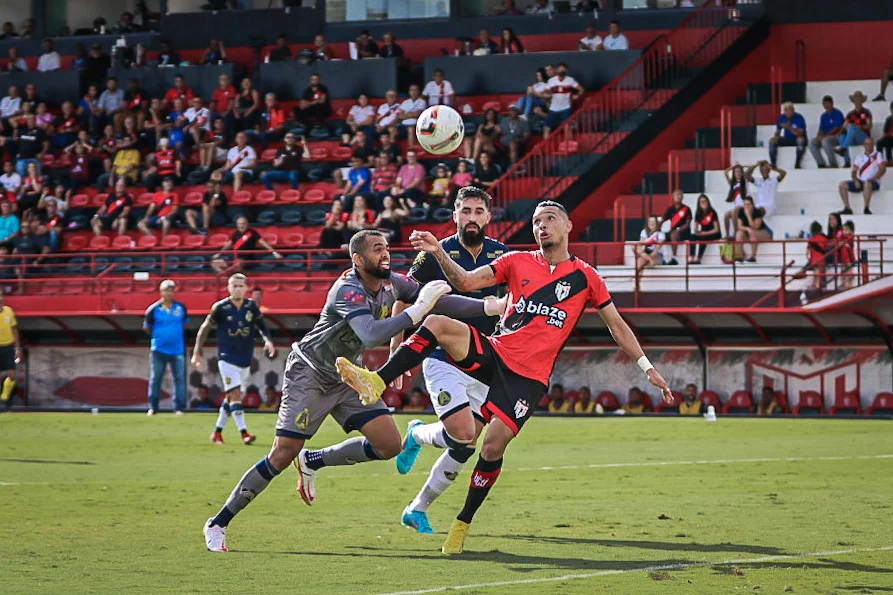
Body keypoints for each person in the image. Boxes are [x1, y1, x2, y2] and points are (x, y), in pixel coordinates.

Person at [336, 199, 672, 554]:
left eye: (550, 219)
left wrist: (647, 368)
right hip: (496, 352)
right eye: (536, 220)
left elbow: (616, 325)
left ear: (569, 226)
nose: (542, 225)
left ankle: (461, 523)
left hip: (527, 378)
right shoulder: (517, 261)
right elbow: (464, 282)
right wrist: (438, 251)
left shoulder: (586, 277)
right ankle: (377, 380)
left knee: (490, 446)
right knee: (435, 323)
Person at [203, 229, 497, 552]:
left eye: (385, 248)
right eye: (376, 249)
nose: (384, 254)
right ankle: (218, 522)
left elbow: (443, 301)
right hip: (309, 374)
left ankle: (313, 460)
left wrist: (490, 307)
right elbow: (370, 335)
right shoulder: (347, 289)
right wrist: (416, 312)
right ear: (357, 259)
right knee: (282, 453)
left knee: (390, 445)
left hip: (347, 375)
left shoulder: (393, 282)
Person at [392, 188, 507, 533]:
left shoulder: (502, 256)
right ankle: (418, 435)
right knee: (462, 432)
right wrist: (398, 350)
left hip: (487, 361)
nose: (472, 217)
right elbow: (404, 300)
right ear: (455, 216)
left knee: (467, 444)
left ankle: (417, 508)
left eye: (478, 211)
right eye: (465, 211)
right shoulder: (434, 254)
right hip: (442, 355)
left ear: (488, 217)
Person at [193, 273, 276, 446]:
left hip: (245, 358)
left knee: (231, 397)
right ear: (228, 288)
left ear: (246, 288)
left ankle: (217, 433)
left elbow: (261, 326)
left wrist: (267, 340)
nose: (238, 289)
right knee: (236, 394)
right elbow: (205, 328)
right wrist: (197, 352)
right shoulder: (221, 307)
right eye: (234, 286)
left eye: (241, 286)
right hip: (226, 358)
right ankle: (244, 433)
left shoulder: (251, 307)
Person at [143, 280, 189, 416]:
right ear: (161, 291)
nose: (169, 292)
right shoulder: (153, 309)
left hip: (178, 349)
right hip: (158, 349)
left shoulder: (181, 307)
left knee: (179, 378)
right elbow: (146, 327)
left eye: (171, 290)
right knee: (156, 378)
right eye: (166, 290)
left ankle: (179, 407)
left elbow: (186, 324)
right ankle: (153, 406)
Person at [213, 215, 282, 272]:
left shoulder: (252, 232)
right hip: (234, 257)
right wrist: (219, 253)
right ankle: (225, 278)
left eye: (243, 224)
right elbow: (229, 244)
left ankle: (239, 280)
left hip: (247, 259)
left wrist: (274, 252)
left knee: (238, 264)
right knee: (215, 263)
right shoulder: (235, 233)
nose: (241, 226)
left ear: (247, 224)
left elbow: (263, 242)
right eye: (239, 224)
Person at [838, 137, 885, 215]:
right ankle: (847, 208)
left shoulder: (878, 155)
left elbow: (883, 169)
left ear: (873, 145)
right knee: (842, 185)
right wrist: (855, 180)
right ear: (864, 145)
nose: (868, 145)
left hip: (873, 182)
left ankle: (866, 208)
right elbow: (854, 172)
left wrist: (873, 178)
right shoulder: (859, 157)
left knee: (867, 184)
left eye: (870, 143)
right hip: (860, 181)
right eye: (866, 143)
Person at [543, 63, 582, 139]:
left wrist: (577, 95)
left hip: (566, 108)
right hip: (553, 108)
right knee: (547, 128)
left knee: (567, 128)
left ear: (566, 71)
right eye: (560, 69)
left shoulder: (570, 80)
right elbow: (546, 93)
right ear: (557, 70)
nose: (562, 71)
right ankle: (546, 148)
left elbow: (581, 89)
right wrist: (548, 96)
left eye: (564, 69)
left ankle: (569, 148)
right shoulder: (551, 81)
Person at [836, 91, 873, 167]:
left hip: (864, 137)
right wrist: (843, 128)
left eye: (859, 99)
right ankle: (847, 161)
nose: (857, 101)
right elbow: (844, 126)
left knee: (852, 128)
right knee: (842, 136)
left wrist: (858, 126)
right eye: (856, 99)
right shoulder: (850, 114)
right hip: (852, 137)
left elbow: (869, 126)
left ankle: (843, 148)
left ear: (862, 101)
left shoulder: (866, 112)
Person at [809, 95, 845, 168]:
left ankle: (833, 163)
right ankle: (821, 164)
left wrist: (824, 136)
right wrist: (818, 136)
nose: (826, 105)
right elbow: (821, 129)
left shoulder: (837, 113)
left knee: (825, 141)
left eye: (828, 103)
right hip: (825, 136)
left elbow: (836, 128)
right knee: (811, 142)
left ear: (832, 103)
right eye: (825, 104)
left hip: (837, 137)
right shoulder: (823, 116)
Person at [769, 102, 806, 169]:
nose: (788, 112)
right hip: (787, 139)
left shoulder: (799, 117)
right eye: (786, 110)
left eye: (790, 110)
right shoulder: (781, 117)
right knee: (772, 140)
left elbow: (800, 134)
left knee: (800, 140)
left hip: (797, 139)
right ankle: (773, 164)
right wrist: (776, 136)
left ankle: (797, 164)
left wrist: (790, 127)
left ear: (793, 110)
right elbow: (778, 132)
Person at [734, 196, 772, 263]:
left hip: (763, 231)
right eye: (745, 204)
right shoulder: (741, 211)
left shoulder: (757, 211)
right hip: (750, 232)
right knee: (739, 233)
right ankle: (740, 256)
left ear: (752, 205)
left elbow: (756, 226)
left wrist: (748, 216)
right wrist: (747, 228)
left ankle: (753, 257)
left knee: (753, 232)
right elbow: (739, 226)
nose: (747, 206)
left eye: (749, 204)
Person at [0, 293, 21, 410]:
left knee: (12, 375)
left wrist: (17, 348)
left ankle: (4, 399)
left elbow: (15, 330)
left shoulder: (8, 311)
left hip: (8, 346)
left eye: (1, 295)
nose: (0, 298)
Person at [661, 189, 691, 266]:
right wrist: (656, 229)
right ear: (673, 197)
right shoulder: (670, 209)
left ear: (682, 197)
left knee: (673, 234)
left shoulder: (687, 209)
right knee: (661, 236)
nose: (678, 196)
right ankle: (663, 259)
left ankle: (675, 258)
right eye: (676, 195)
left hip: (684, 232)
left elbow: (687, 224)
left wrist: (678, 230)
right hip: (672, 231)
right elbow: (663, 220)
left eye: (680, 195)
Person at [688, 194, 721, 265]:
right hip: (703, 232)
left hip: (713, 233)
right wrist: (697, 232)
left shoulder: (712, 212)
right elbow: (695, 229)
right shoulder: (698, 213)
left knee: (703, 238)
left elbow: (716, 229)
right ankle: (691, 256)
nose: (703, 203)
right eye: (701, 202)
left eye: (705, 201)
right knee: (692, 236)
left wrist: (704, 233)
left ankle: (699, 258)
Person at [723, 163, 747, 238]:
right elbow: (725, 172)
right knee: (726, 215)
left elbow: (749, 171)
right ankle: (727, 234)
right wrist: (734, 166)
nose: (738, 173)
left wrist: (743, 166)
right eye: (736, 172)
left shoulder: (745, 181)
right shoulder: (733, 184)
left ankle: (736, 232)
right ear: (734, 173)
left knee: (734, 212)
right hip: (737, 206)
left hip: (744, 206)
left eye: (740, 171)